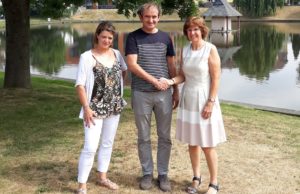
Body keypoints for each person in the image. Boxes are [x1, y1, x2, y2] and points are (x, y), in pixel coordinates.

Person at [160, 17, 226, 194]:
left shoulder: (210, 49)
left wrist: (210, 103)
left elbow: (216, 78)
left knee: (207, 144)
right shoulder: (186, 49)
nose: (192, 33)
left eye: (196, 29)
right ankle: (196, 178)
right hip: (189, 98)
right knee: (193, 142)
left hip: (204, 98)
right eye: (189, 30)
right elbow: (183, 75)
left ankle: (214, 183)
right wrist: (171, 80)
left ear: (202, 30)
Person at [125, 2, 179, 192]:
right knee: (144, 137)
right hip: (141, 94)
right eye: (147, 17)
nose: (151, 20)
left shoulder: (166, 38)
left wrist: (176, 90)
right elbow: (132, 65)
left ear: (159, 17)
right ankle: (147, 173)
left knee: (165, 137)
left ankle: (163, 174)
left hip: (164, 94)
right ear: (141, 17)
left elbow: (171, 66)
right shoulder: (133, 37)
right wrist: (154, 81)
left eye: (154, 16)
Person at [75, 21, 127, 194]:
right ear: (97, 35)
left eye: (110, 38)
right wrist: (86, 107)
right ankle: (82, 185)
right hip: (94, 109)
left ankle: (102, 177)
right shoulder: (86, 57)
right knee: (90, 146)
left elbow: (123, 72)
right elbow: (80, 85)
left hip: (114, 107)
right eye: (103, 36)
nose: (106, 40)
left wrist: (115, 92)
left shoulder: (117, 54)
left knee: (107, 143)